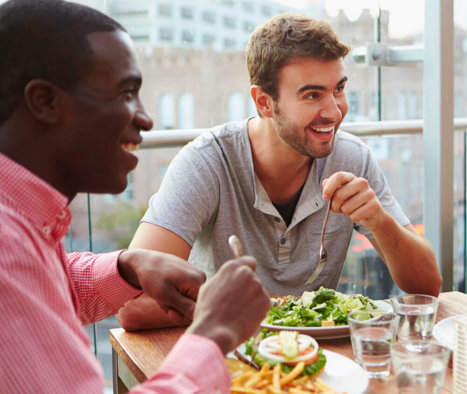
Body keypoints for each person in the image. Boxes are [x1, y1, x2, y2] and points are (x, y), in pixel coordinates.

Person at [0, 1, 271, 392]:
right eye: (126, 93)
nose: (145, 118)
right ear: (45, 102)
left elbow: (39, 292)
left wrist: (127, 266)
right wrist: (214, 334)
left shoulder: (21, 221)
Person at [117, 14, 441, 331]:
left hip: (321, 362)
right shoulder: (205, 163)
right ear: (264, 102)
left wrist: (380, 222)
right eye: (312, 95)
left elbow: (428, 286)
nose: (334, 111)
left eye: (339, 90)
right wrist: (271, 308)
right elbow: (129, 306)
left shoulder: (351, 157)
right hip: (224, 357)